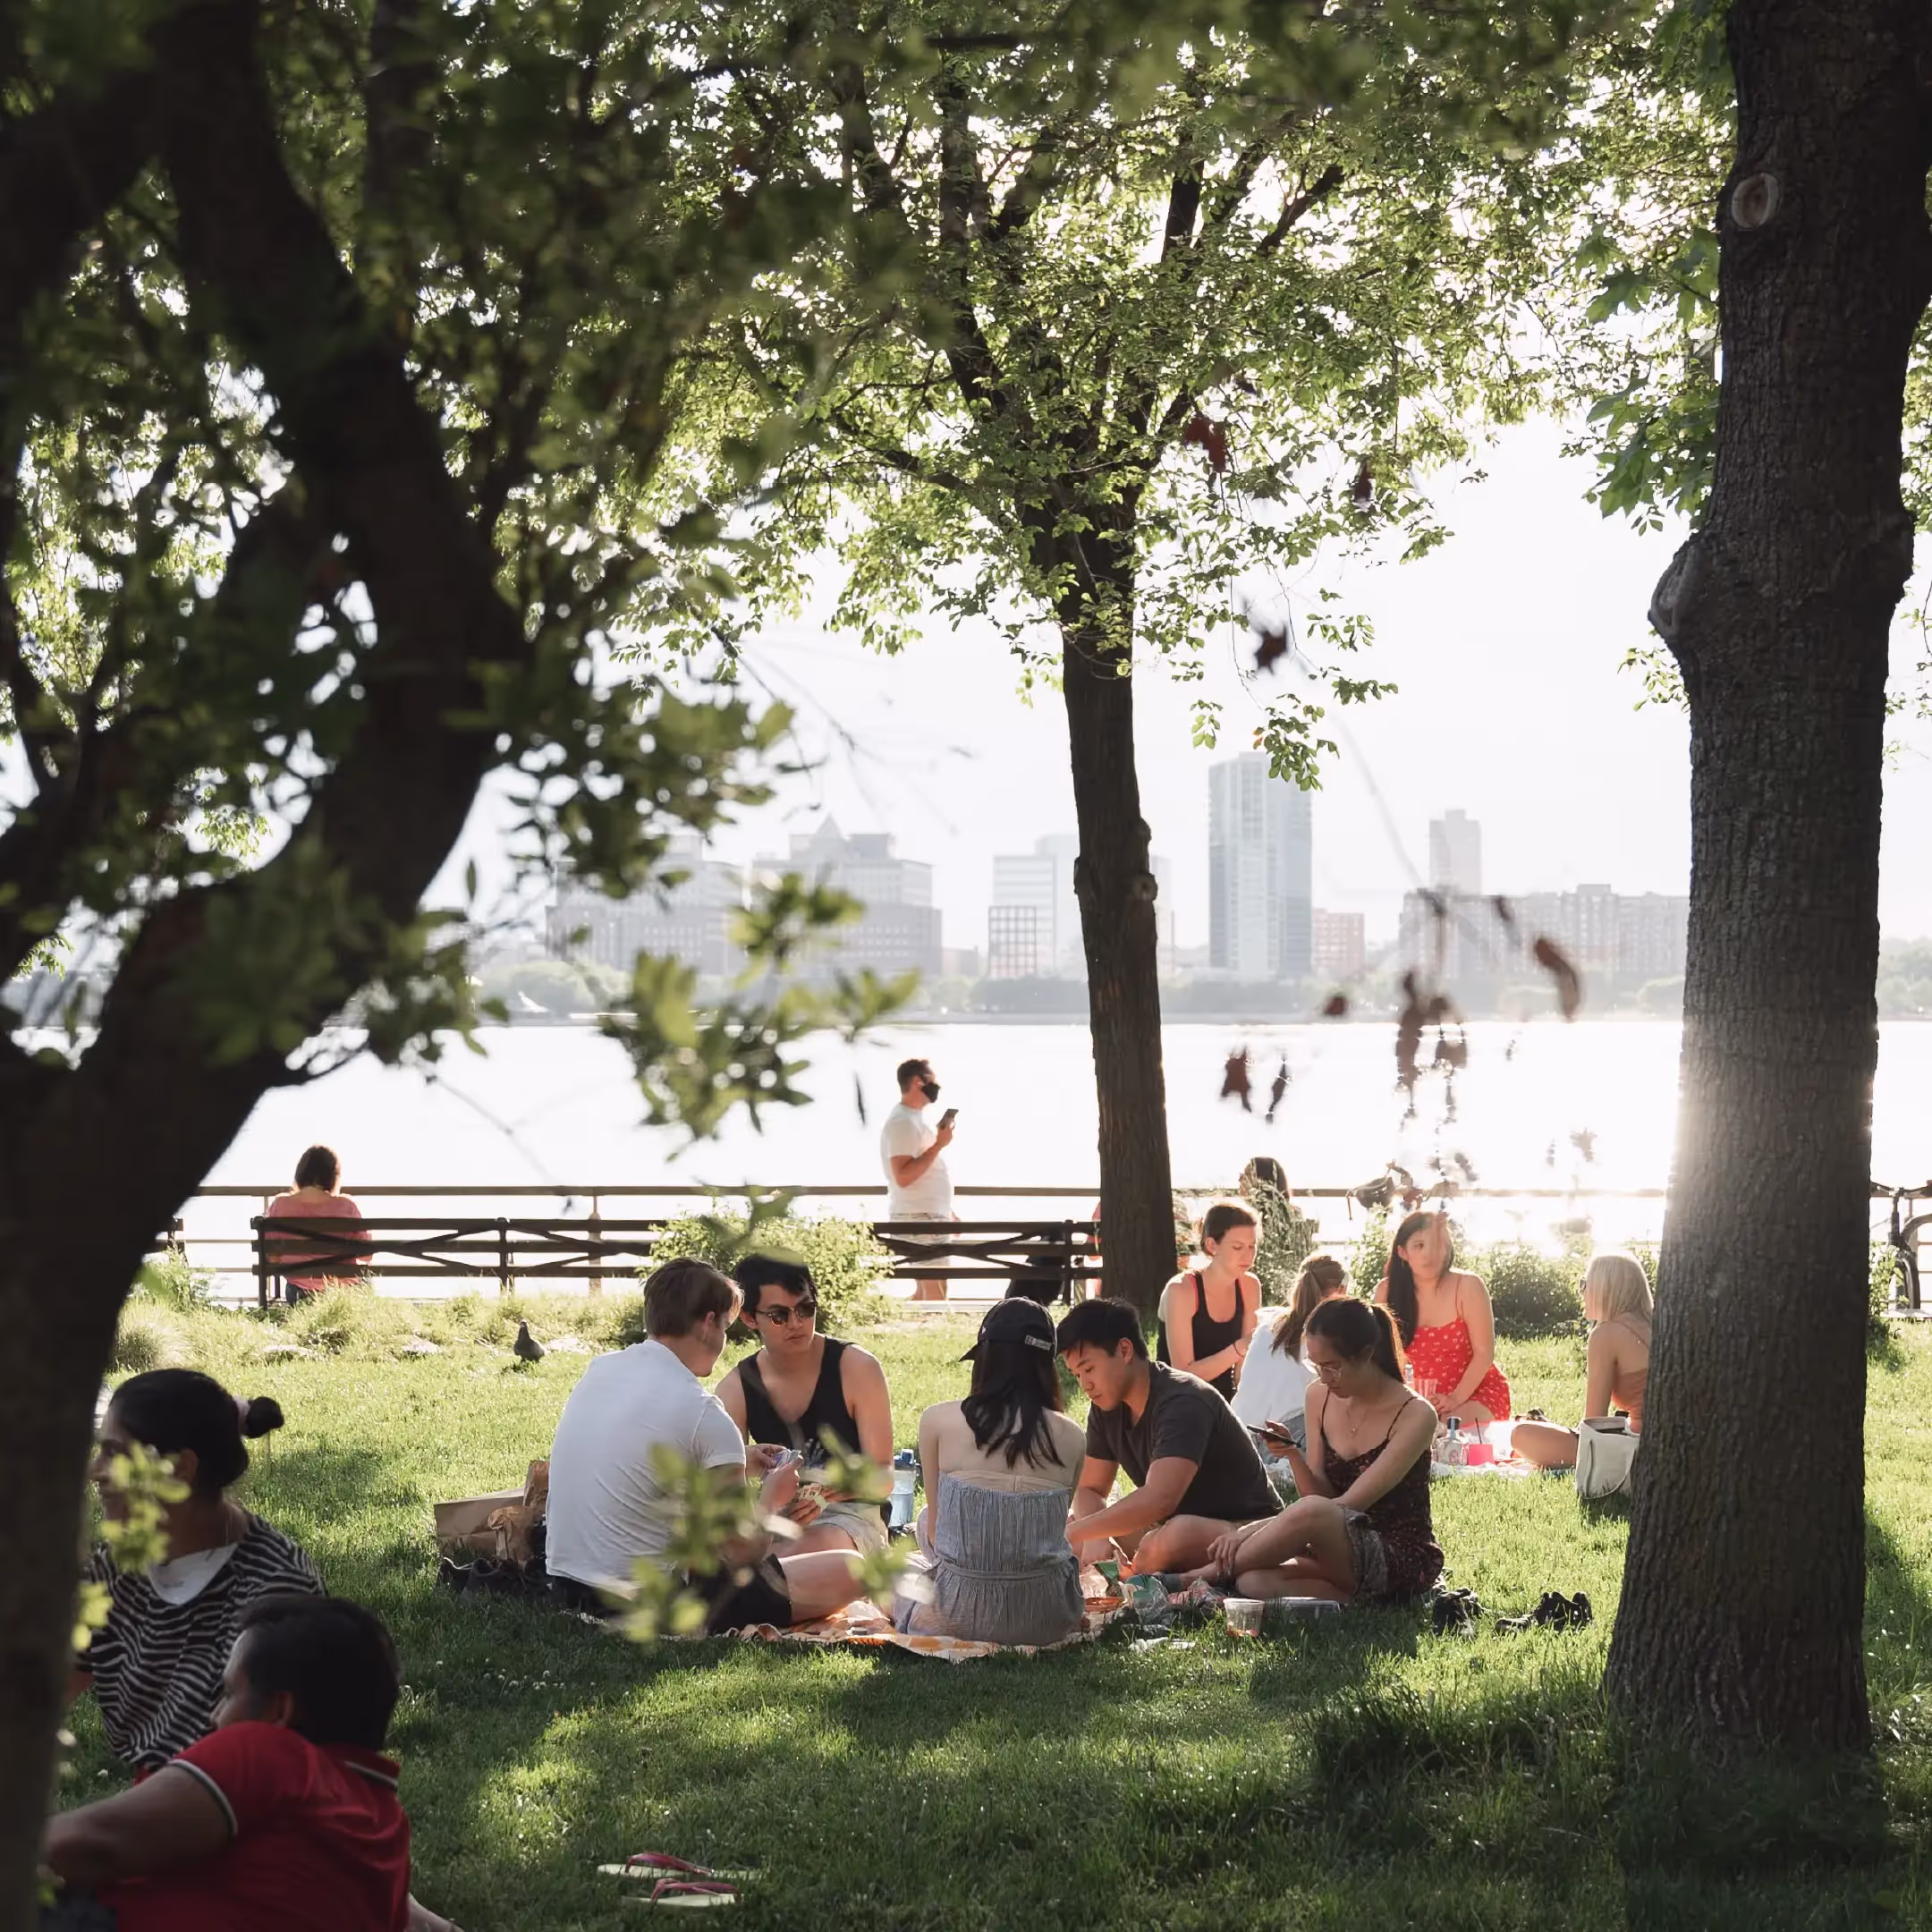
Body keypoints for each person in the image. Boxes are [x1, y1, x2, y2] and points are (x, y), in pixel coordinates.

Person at [44, 1592, 449, 1932]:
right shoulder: (384, 1829)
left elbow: (89, 1845)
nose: (214, 1716)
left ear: (278, 1711)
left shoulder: (270, 1753)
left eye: (228, 1693)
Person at [545, 1258, 869, 1631]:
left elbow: (645, 1455)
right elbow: (738, 1556)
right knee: (851, 1567)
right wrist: (772, 1502)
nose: (724, 1341)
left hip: (567, 1584)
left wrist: (739, 1458)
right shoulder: (704, 1413)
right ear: (707, 1323)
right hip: (650, 1603)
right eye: (726, 1328)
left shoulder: (601, 1371)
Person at [76, 1370, 323, 1774]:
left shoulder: (276, 1587)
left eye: (114, 1454)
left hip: (245, 1808)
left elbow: (261, 1767)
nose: (94, 1471)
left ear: (180, 1467)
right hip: (160, 1806)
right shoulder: (117, 1567)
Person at [1184, 1297, 1442, 1606]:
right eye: (1315, 1365)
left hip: (1394, 1553)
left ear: (1367, 1355)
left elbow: (1346, 1506)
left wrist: (1247, 1532)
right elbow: (1317, 1494)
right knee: (1254, 1582)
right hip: (1332, 1547)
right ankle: (1362, 1604)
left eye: (1333, 1367)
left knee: (1313, 1514)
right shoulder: (1318, 1395)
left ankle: (1193, 1579)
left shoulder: (1416, 1414)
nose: (1323, 1377)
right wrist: (1293, 1455)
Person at [893, 1299, 1087, 1646]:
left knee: (896, 1565)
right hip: (1046, 1616)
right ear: (1047, 1366)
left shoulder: (937, 1420)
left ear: (985, 1359)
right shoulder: (1073, 1437)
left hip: (956, 1615)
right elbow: (1051, 1529)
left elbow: (937, 1535)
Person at [1055, 1297, 1279, 1573]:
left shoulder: (1183, 1400)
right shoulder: (1106, 1406)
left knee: (1165, 1540)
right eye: (1076, 1375)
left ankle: (1147, 1580)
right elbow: (1090, 1489)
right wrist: (1091, 1535)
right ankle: (1137, 1577)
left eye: (1088, 1369)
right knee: (1075, 1525)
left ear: (1125, 1351)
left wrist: (1083, 1532)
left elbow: (1160, 1499)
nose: (1085, 1384)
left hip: (1244, 1529)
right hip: (1171, 1524)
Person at [716, 1254, 894, 1557]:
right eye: (779, 1316)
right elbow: (723, 1493)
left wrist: (849, 1486)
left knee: (800, 1556)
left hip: (851, 1519)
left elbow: (885, 1476)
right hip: (779, 1519)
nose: (796, 1324)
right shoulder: (736, 1388)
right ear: (748, 1319)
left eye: (806, 1309)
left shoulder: (857, 1367)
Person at [1513, 1251, 1654, 1470]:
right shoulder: (1652, 1324)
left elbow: (1594, 1421)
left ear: (1604, 1287)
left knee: (1522, 1434)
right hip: (1662, 1438)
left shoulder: (1607, 1333)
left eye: (1585, 1283)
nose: (1582, 1292)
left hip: (1637, 1447)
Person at [1376, 1209, 1513, 1427]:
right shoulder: (1386, 1291)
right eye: (1419, 1246)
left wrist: (1454, 1399)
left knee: (1442, 1429)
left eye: (1437, 1245)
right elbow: (1381, 1358)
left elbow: (1484, 1354)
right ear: (1402, 1252)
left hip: (1472, 1394)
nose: (1429, 1255)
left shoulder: (1468, 1286)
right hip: (1412, 1400)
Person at [1231, 1251, 1353, 1452]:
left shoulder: (1269, 1326)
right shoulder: (1328, 1335)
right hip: (1281, 1441)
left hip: (1239, 1434)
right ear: (1341, 1290)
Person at [1156, 1199, 1262, 1399]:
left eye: (1252, 1246)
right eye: (1238, 1247)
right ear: (1212, 1245)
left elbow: (1242, 1372)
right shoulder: (1181, 1290)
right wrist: (1240, 1347)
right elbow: (1183, 1374)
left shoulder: (1250, 1286)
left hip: (1223, 1401)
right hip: (1175, 1400)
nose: (1248, 1256)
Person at [880, 1056, 957, 1301]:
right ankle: (937, 1334)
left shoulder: (911, 1118)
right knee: (935, 1295)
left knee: (925, 1293)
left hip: (927, 1216)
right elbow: (903, 1176)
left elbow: (923, 1172)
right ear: (917, 1082)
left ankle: (909, 1329)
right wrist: (939, 1144)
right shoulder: (902, 1122)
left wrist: (947, 1211)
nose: (937, 1086)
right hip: (919, 1220)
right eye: (932, 1080)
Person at [261, 1146, 371, 1300]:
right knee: (366, 1279)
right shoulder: (346, 1206)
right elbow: (367, 1256)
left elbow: (272, 1258)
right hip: (342, 1293)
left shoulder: (280, 1205)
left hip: (300, 1294)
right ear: (333, 1176)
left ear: (300, 1173)